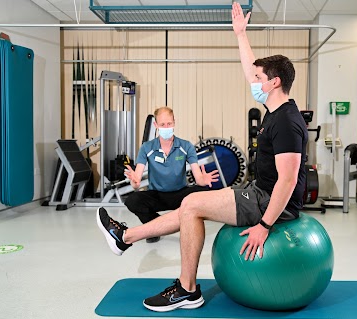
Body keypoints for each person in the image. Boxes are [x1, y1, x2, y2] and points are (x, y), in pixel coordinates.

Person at [96, 2, 308, 312]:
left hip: (270, 202)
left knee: (192, 204)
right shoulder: (276, 110)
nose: (254, 82)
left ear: (274, 82)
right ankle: (125, 237)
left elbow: (288, 181)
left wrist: (264, 225)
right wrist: (240, 35)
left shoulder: (287, 121)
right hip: (257, 191)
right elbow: (251, 68)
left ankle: (184, 287)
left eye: (260, 78)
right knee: (190, 205)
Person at [123, 106, 219, 244]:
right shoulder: (146, 147)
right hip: (157, 195)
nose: (166, 127)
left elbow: (198, 178)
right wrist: (134, 182)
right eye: (162, 124)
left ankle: (173, 225)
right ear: (156, 125)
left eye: (169, 123)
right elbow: (136, 180)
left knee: (204, 193)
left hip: (180, 194)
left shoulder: (186, 146)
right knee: (132, 200)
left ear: (174, 122)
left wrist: (203, 181)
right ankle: (154, 229)